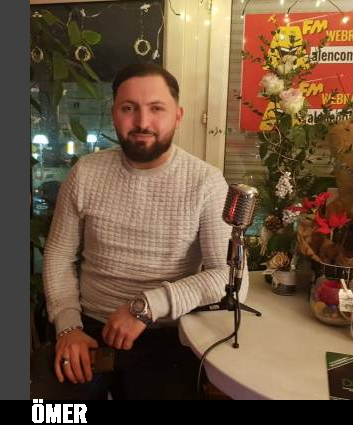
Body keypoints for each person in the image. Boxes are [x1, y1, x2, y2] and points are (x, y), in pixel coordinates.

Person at [40, 63, 248, 400]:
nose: (142, 122)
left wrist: (147, 306)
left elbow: (230, 277)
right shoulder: (85, 174)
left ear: (178, 116)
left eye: (156, 108)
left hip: (168, 333)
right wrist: (68, 326)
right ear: (113, 114)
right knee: (51, 415)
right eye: (129, 108)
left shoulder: (206, 182)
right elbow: (58, 256)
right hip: (88, 328)